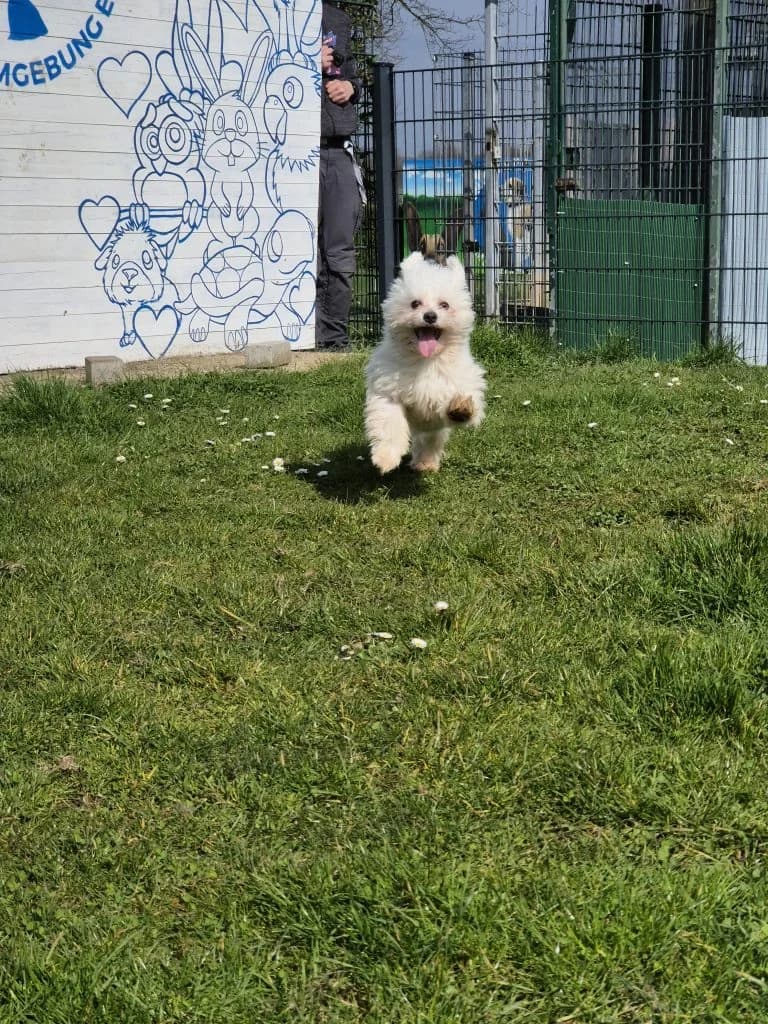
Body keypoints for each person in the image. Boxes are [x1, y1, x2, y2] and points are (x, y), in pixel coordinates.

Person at [316, 1, 364, 352]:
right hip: (291, 149)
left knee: (339, 254)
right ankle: (303, 336)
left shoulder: (339, 18)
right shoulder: (271, 14)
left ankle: (333, 342)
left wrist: (352, 88)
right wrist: (304, 63)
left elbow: (353, 71)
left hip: (338, 149)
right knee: (302, 253)